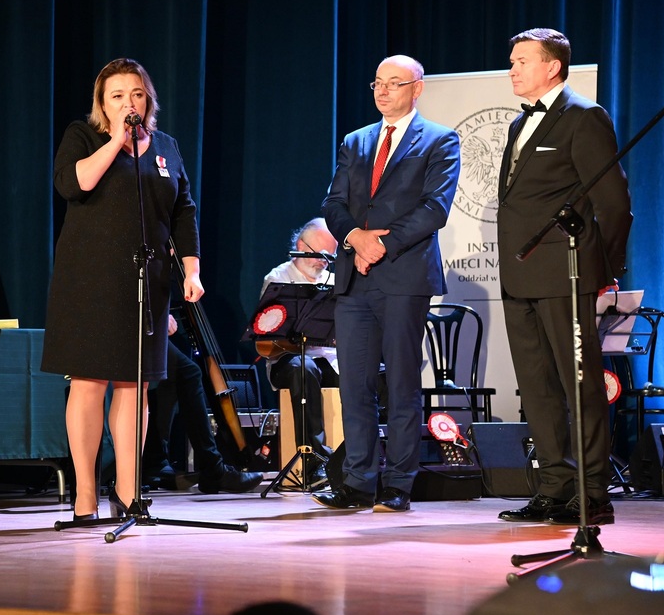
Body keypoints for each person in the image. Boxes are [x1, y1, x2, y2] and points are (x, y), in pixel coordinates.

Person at [42, 58, 203, 521]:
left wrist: (191, 270)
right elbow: (74, 183)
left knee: (136, 386)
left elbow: (183, 212)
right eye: (117, 95)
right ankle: (85, 496)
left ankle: (130, 493)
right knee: (89, 383)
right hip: (89, 281)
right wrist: (116, 140)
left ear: (148, 99)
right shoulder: (83, 135)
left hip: (147, 281)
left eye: (136, 94)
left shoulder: (166, 147)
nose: (128, 102)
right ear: (102, 103)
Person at [496, 29, 632, 526]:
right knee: (537, 388)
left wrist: (606, 270)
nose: (512, 69)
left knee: (580, 386)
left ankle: (593, 491)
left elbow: (613, 202)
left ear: (552, 67)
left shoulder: (584, 117)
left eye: (522, 61)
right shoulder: (519, 122)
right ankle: (554, 488)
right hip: (518, 276)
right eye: (512, 61)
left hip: (565, 274)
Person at [316, 55, 459, 513]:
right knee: (354, 385)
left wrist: (381, 244)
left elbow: (435, 208)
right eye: (377, 82)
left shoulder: (439, 139)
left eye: (394, 83)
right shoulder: (355, 140)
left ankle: (399, 482)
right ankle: (358, 482)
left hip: (404, 275)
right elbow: (333, 203)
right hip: (354, 279)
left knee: (400, 384)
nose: (382, 90)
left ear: (417, 88)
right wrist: (355, 238)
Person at [143, 315, 264, 494]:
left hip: (143, 318)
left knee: (172, 374)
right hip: (135, 319)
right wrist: (156, 315)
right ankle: (213, 469)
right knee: (187, 372)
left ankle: (154, 461)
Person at [259, 218, 340, 487]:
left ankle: (360, 462)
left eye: (329, 258)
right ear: (300, 246)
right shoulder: (277, 279)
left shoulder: (333, 281)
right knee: (304, 368)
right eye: (319, 255)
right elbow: (267, 337)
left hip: (328, 359)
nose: (323, 263)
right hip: (288, 360)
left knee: (374, 373)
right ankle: (314, 461)